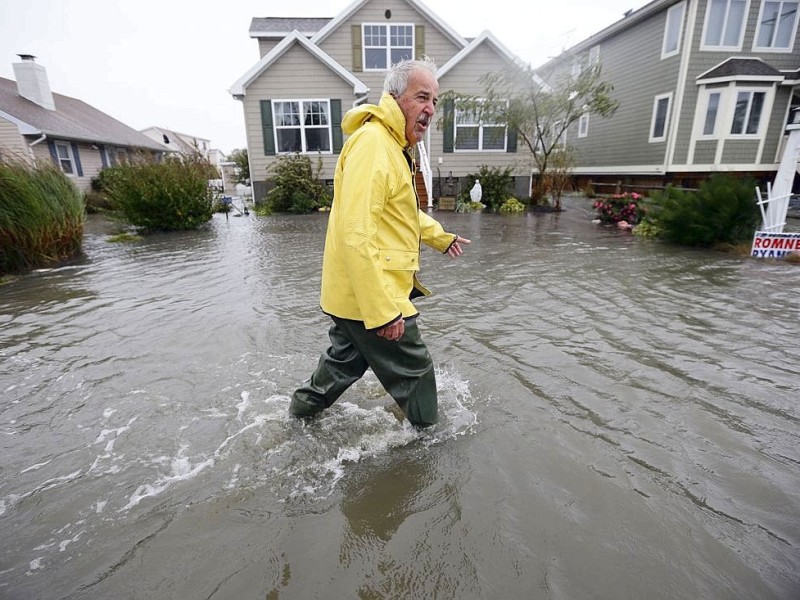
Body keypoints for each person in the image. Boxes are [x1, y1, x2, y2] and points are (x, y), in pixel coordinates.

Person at [289, 56, 470, 428]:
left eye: (435, 100)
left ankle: (296, 418)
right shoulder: (374, 145)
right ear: (395, 96)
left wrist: (440, 237)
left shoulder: (390, 145)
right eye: (422, 97)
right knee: (416, 370)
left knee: (342, 365)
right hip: (372, 296)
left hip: (352, 297)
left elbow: (400, 213)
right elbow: (357, 234)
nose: (430, 109)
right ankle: (428, 445)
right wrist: (384, 310)